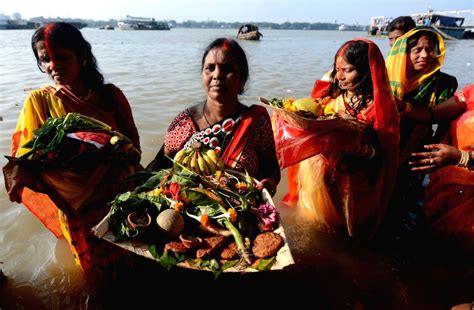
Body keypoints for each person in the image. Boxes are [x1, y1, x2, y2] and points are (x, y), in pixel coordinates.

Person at [2, 23, 142, 276]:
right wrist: (21, 172)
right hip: (77, 207)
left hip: (120, 197)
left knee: (133, 258)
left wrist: (117, 150)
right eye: (45, 60)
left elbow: (135, 148)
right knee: (94, 271)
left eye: (62, 57)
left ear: (83, 57)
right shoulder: (39, 102)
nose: (53, 66)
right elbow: (29, 157)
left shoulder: (110, 96)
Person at [274, 39, 399, 239]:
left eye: (347, 70)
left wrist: (355, 145)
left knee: (342, 232)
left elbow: (382, 156)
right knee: (312, 224)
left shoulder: (379, 108)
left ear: (366, 71)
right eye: (337, 69)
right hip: (317, 173)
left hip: (350, 181)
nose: (339, 76)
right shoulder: (332, 95)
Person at [147, 37, 280, 195]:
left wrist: (268, 184)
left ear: (242, 80)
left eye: (227, 69)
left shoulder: (255, 123)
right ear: (202, 75)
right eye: (210, 68)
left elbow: (272, 171)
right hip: (186, 213)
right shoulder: (185, 122)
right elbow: (160, 164)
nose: (217, 75)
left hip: (242, 211)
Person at [385, 27, 458, 230]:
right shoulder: (385, 77)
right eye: (417, 49)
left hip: (416, 150)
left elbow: (436, 123)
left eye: (430, 49)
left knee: (402, 206)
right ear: (404, 53)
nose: (425, 55)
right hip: (383, 145)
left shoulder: (444, 83)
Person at [409, 84, 473, 253]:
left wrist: (462, 157)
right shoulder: (471, 93)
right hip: (445, 187)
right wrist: (400, 106)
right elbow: (431, 115)